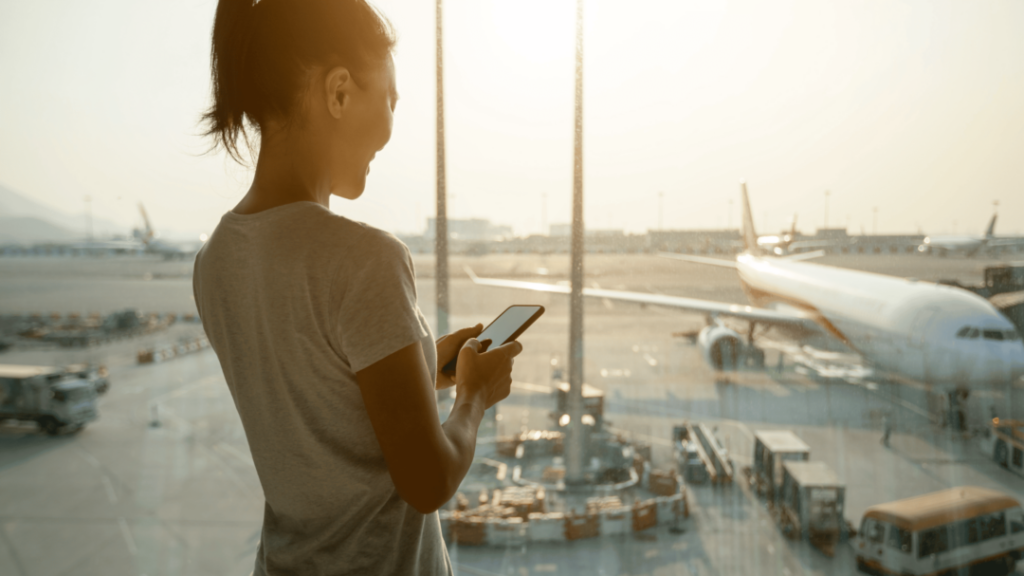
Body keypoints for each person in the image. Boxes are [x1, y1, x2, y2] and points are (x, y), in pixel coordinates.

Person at [191, 1, 523, 574]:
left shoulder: (215, 260)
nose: (392, 128)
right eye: (390, 100)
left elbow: (319, 406)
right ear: (339, 92)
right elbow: (428, 481)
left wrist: (425, 366)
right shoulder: (365, 259)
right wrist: (474, 395)